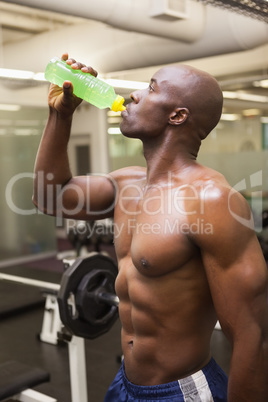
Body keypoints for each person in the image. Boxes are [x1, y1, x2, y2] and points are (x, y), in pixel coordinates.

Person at [33, 53, 268, 401]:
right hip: (125, 383)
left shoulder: (211, 199)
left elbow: (253, 335)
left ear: (177, 115)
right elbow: (51, 198)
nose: (134, 96)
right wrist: (60, 115)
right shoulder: (126, 184)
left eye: (151, 88)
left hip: (182, 390)